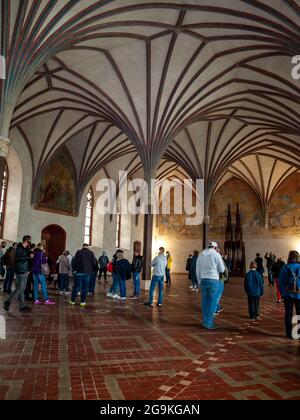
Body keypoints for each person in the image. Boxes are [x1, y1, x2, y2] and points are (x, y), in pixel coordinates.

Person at [196, 242, 225, 330]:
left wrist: (199, 281)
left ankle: (205, 321)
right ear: (215, 248)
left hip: (204, 280)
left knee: (205, 302)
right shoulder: (216, 255)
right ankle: (208, 323)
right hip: (213, 280)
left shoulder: (201, 254)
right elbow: (222, 269)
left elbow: (198, 269)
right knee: (212, 302)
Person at [4, 236, 32, 313]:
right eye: (29, 240)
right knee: (19, 289)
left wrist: (29, 268)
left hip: (25, 270)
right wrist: (29, 257)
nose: (30, 241)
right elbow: (18, 259)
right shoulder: (19, 248)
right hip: (21, 270)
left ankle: (22, 306)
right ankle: (8, 301)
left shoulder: (26, 248)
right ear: (27, 241)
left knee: (22, 289)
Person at [279, 251, 300, 340]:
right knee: (299, 314)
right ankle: (298, 333)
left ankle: (289, 333)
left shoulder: (285, 267)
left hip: (288, 295)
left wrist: (283, 294)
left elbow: (281, 282)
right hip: (299, 295)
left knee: (288, 314)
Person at [215, 251, 229, 315]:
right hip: (220, 279)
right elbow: (224, 270)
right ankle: (216, 309)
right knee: (218, 295)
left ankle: (218, 307)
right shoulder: (220, 260)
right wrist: (225, 278)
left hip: (213, 279)